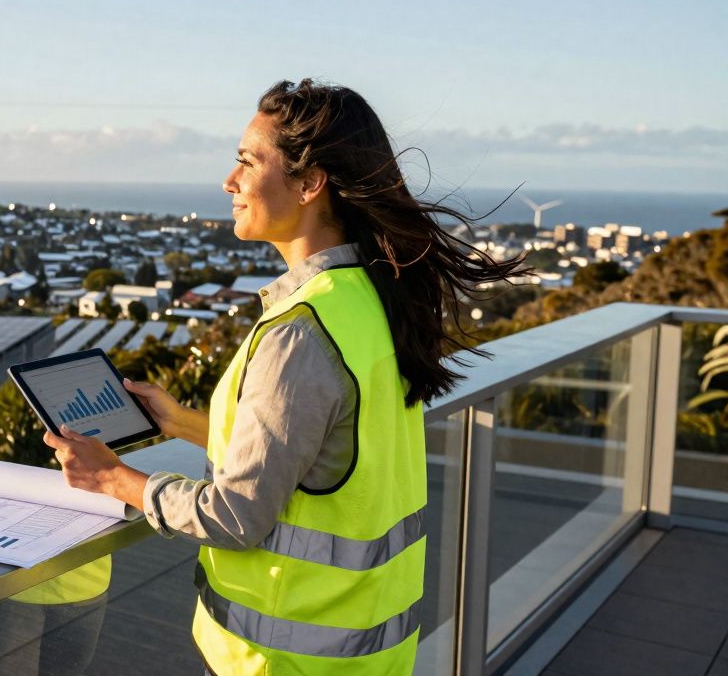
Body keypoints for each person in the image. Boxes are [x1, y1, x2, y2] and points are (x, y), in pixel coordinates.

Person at [44, 79, 528, 675]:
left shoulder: (301, 331)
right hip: (368, 656)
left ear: (308, 183)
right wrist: (180, 422)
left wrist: (112, 478)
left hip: (283, 659)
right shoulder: (368, 300)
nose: (229, 182)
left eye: (247, 161)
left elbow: (235, 517)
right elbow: (308, 448)